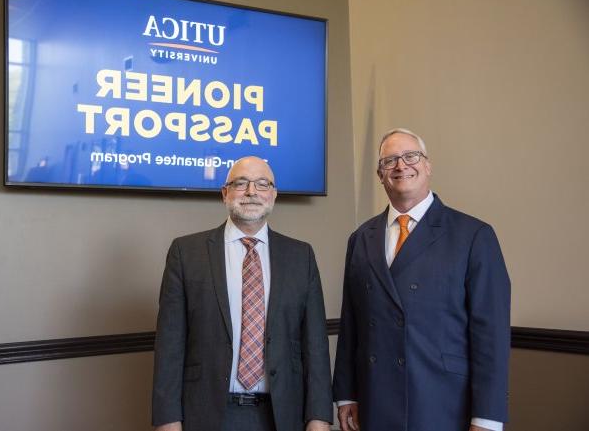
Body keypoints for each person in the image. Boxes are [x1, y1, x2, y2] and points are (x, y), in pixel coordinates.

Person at [333, 129, 511, 431]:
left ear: (427, 165)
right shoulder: (361, 238)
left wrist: (487, 418)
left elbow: (491, 334)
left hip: (443, 403)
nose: (401, 166)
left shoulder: (473, 235)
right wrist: (346, 393)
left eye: (410, 156)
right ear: (380, 174)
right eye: (389, 161)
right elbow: (352, 324)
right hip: (376, 401)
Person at [152, 156, 332, 431]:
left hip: (282, 414)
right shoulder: (186, 253)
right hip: (208, 414)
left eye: (262, 184)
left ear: (273, 195)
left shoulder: (301, 256)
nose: (251, 192)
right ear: (225, 193)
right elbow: (170, 344)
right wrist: (167, 420)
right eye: (241, 183)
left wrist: (319, 418)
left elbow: (315, 345)